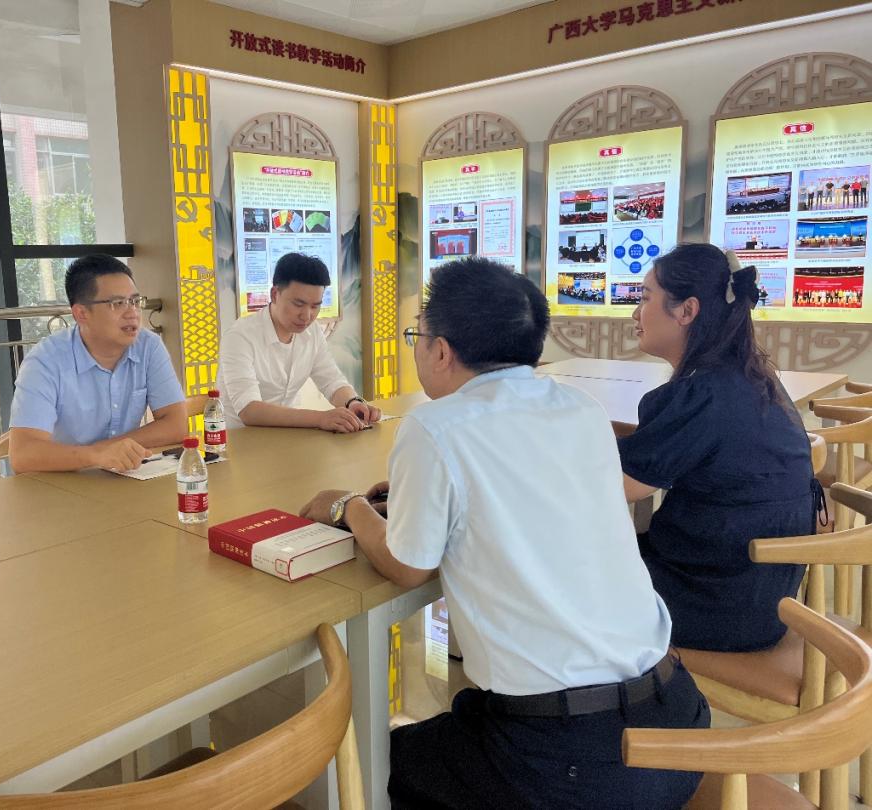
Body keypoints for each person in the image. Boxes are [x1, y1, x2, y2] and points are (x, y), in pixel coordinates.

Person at [300, 257, 709, 809]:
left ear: (441, 351)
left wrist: (349, 507)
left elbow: (408, 566)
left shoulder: (433, 426)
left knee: (375, 767)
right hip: (679, 719)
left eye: (418, 337)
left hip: (573, 762)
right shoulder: (580, 407)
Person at [619, 244, 818, 652]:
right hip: (764, 595)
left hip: (717, 602)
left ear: (687, 311)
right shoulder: (752, 378)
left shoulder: (702, 393)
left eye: (645, 298)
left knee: (558, 569)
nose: (635, 314)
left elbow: (620, 486)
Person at [8, 254, 187, 473]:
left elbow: (176, 425)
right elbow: (23, 455)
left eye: (135, 301)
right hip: (60, 480)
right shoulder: (45, 361)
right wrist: (96, 455)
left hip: (121, 477)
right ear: (81, 314)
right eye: (117, 303)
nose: (132, 313)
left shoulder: (148, 346)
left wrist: (110, 451)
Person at [217, 252, 381, 432]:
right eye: (298, 304)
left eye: (315, 306)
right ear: (274, 294)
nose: (307, 316)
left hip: (289, 435)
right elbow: (249, 410)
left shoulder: (312, 332)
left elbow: (332, 380)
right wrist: (321, 418)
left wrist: (353, 402)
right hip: (240, 439)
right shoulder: (240, 336)